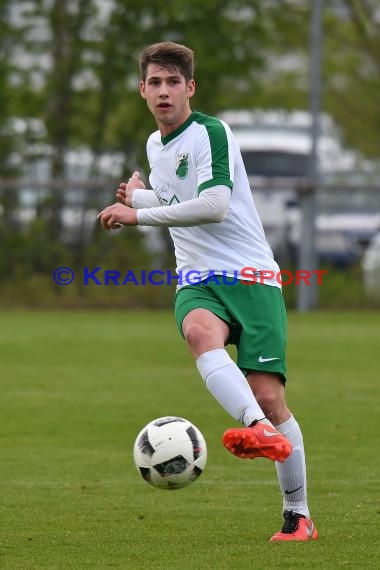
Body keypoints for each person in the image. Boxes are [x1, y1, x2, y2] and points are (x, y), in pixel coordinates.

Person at [98, 41, 318, 542]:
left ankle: (298, 514)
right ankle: (256, 428)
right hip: (198, 277)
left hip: (251, 276)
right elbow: (182, 200)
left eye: (173, 82)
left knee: (270, 397)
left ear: (190, 88)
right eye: (154, 83)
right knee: (199, 333)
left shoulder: (211, 132)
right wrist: (142, 196)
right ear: (142, 91)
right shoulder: (156, 147)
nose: (163, 92)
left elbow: (214, 204)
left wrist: (137, 213)